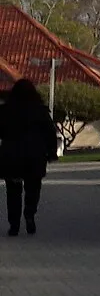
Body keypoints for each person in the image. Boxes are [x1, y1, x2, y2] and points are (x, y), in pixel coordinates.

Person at [1, 79, 59, 236]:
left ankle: (14, 225)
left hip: (12, 157)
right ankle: (29, 214)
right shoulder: (40, 111)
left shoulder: (5, 111)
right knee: (33, 188)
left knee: (13, 192)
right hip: (34, 156)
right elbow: (50, 133)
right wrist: (52, 152)